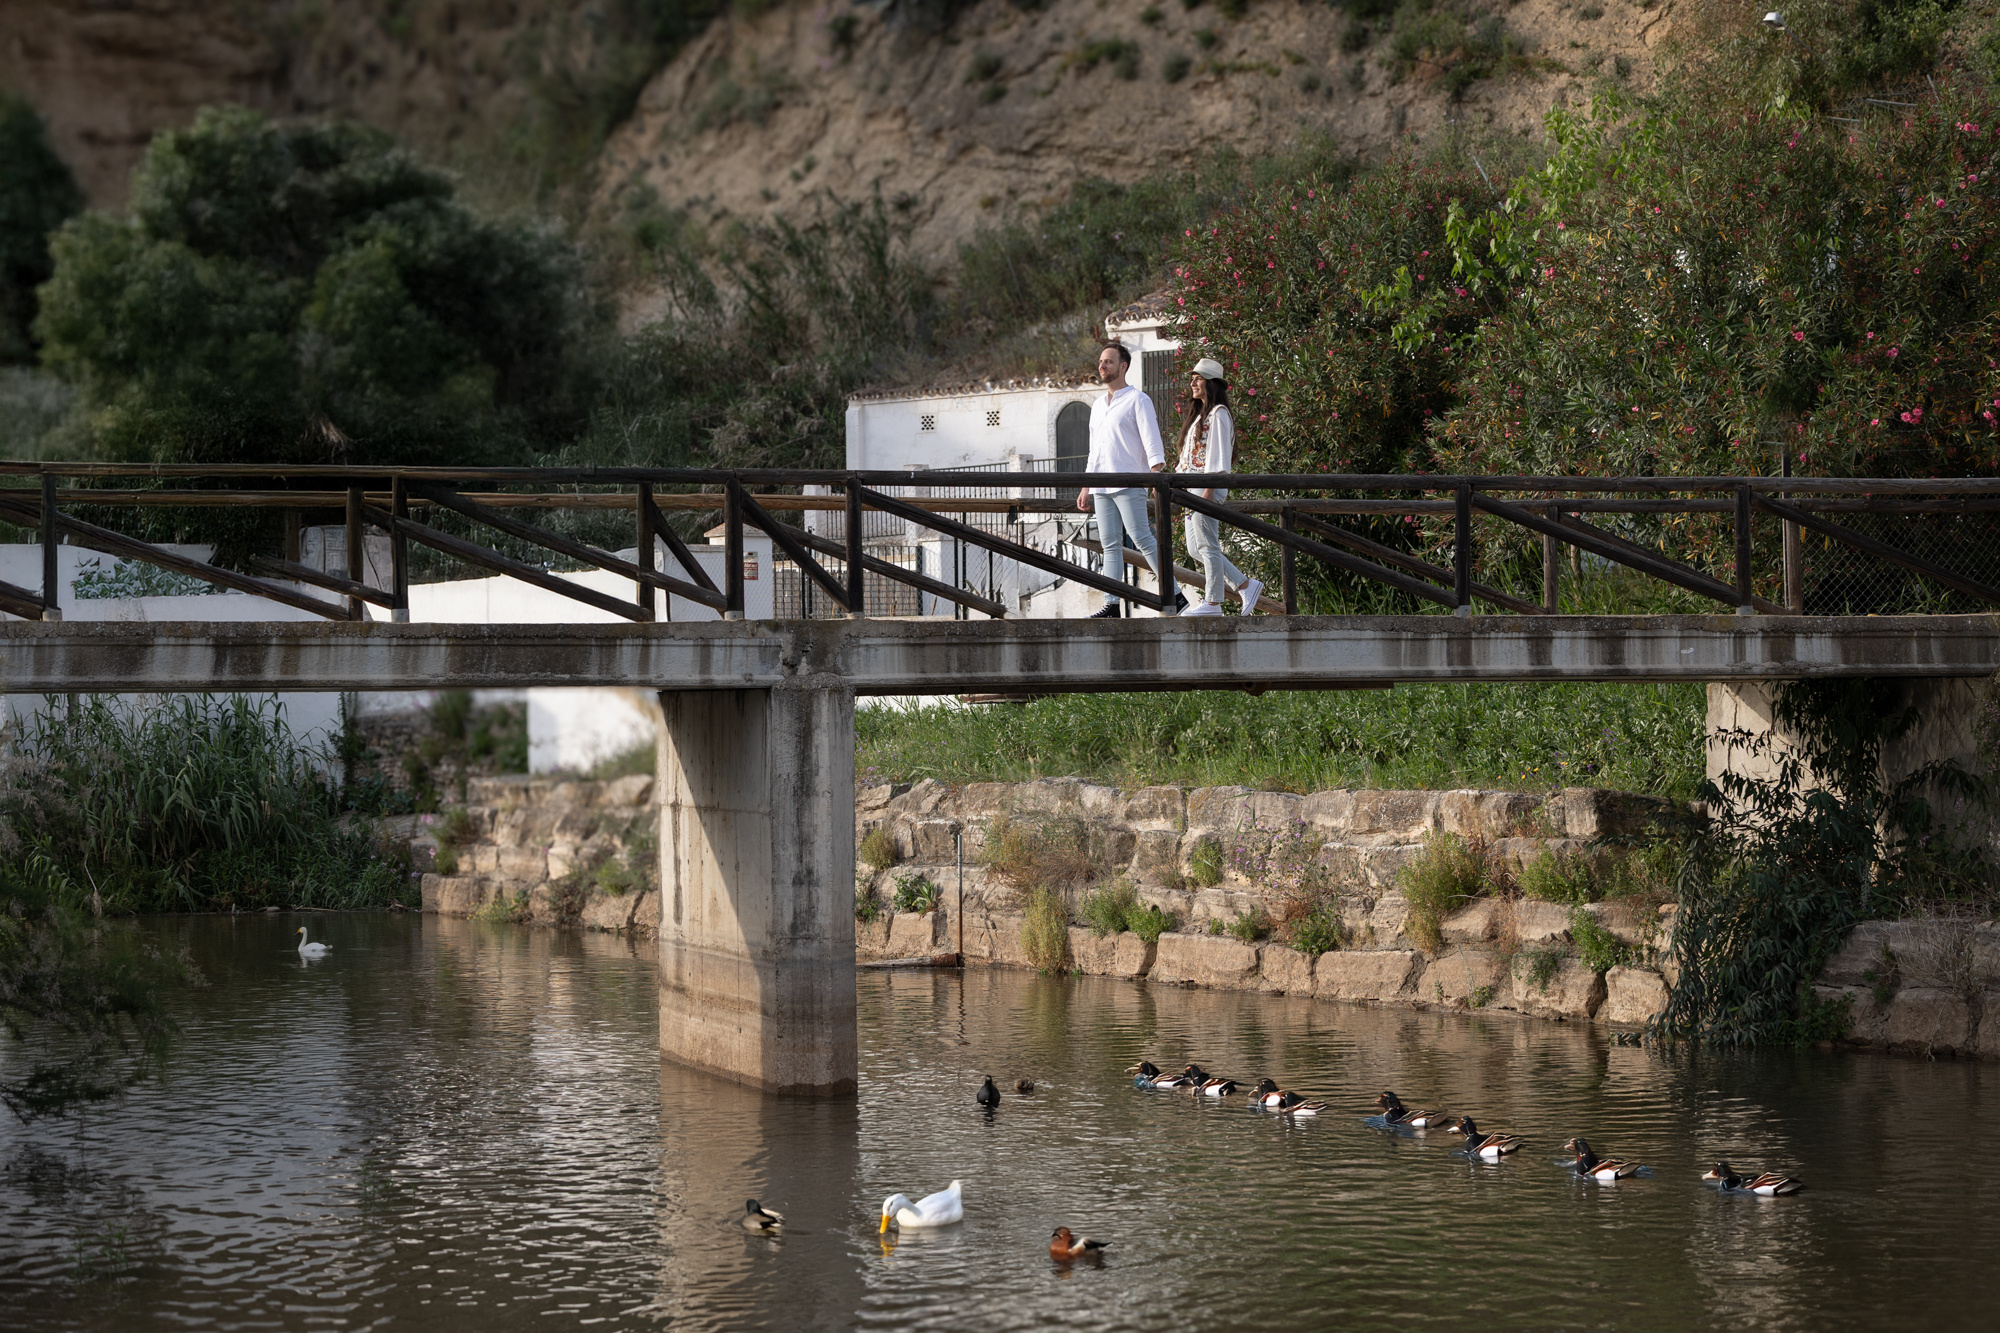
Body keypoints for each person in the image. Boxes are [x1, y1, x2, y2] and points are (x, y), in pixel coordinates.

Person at [1077, 342, 1183, 616]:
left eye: (1108, 362)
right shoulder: (1098, 405)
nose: (1102, 366)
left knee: (1142, 539)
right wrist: (1086, 485)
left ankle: (1177, 595)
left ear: (1123, 366)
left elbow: (1152, 443)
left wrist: (1156, 477)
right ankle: (1111, 604)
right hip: (1101, 485)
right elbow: (1095, 449)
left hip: (1129, 482)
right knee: (1109, 545)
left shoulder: (1139, 399)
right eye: (1101, 361)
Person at [1174, 358, 1263, 616]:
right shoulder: (1200, 416)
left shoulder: (1219, 414)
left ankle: (1213, 602)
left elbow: (1217, 455)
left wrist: (1209, 489)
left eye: (1198, 378)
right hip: (1193, 488)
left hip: (1206, 487)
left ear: (1211, 383)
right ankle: (1246, 585)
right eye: (1192, 378)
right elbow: (1188, 457)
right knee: (1195, 547)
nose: (1192, 383)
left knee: (1208, 545)